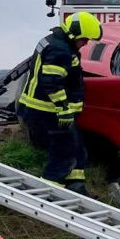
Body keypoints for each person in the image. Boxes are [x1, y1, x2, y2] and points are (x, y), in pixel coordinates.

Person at [16, 11, 103, 196]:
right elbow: (52, 83)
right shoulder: (60, 50)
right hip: (47, 111)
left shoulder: (53, 41)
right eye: (84, 39)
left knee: (77, 147)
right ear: (73, 34)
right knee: (64, 153)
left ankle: (76, 187)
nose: (86, 43)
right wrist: (63, 109)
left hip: (43, 109)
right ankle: (48, 193)